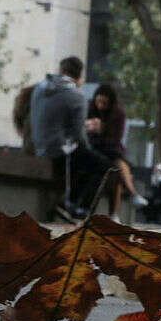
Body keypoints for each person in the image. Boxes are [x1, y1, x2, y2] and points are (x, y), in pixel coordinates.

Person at [31, 55, 111, 219]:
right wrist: (88, 143)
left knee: (84, 162)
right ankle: (78, 207)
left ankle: (67, 203)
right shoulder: (76, 95)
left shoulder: (39, 89)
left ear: (61, 70)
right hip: (59, 150)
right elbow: (78, 134)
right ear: (80, 76)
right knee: (103, 165)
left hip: (38, 144)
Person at [85, 84, 146, 212]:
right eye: (98, 101)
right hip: (94, 149)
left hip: (111, 150)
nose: (100, 106)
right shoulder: (89, 109)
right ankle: (132, 194)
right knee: (117, 167)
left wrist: (101, 129)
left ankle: (116, 212)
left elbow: (116, 139)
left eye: (104, 103)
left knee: (116, 168)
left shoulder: (118, 113)